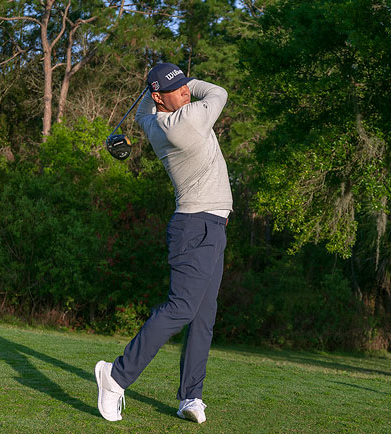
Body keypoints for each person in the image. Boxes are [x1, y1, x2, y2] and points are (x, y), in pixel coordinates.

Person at [95, 62, 232, 424]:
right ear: (160, 97)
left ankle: (191, 396)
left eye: (186, 85)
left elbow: (143, 110)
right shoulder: (186, 122)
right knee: (182, 309)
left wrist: (161, 86)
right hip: (196, 225)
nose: (187, 91)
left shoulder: (153, 123)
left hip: (210, 225)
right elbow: (219, 92)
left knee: (203, 316)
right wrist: (182, 83)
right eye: (179, 88)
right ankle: (116, 377)